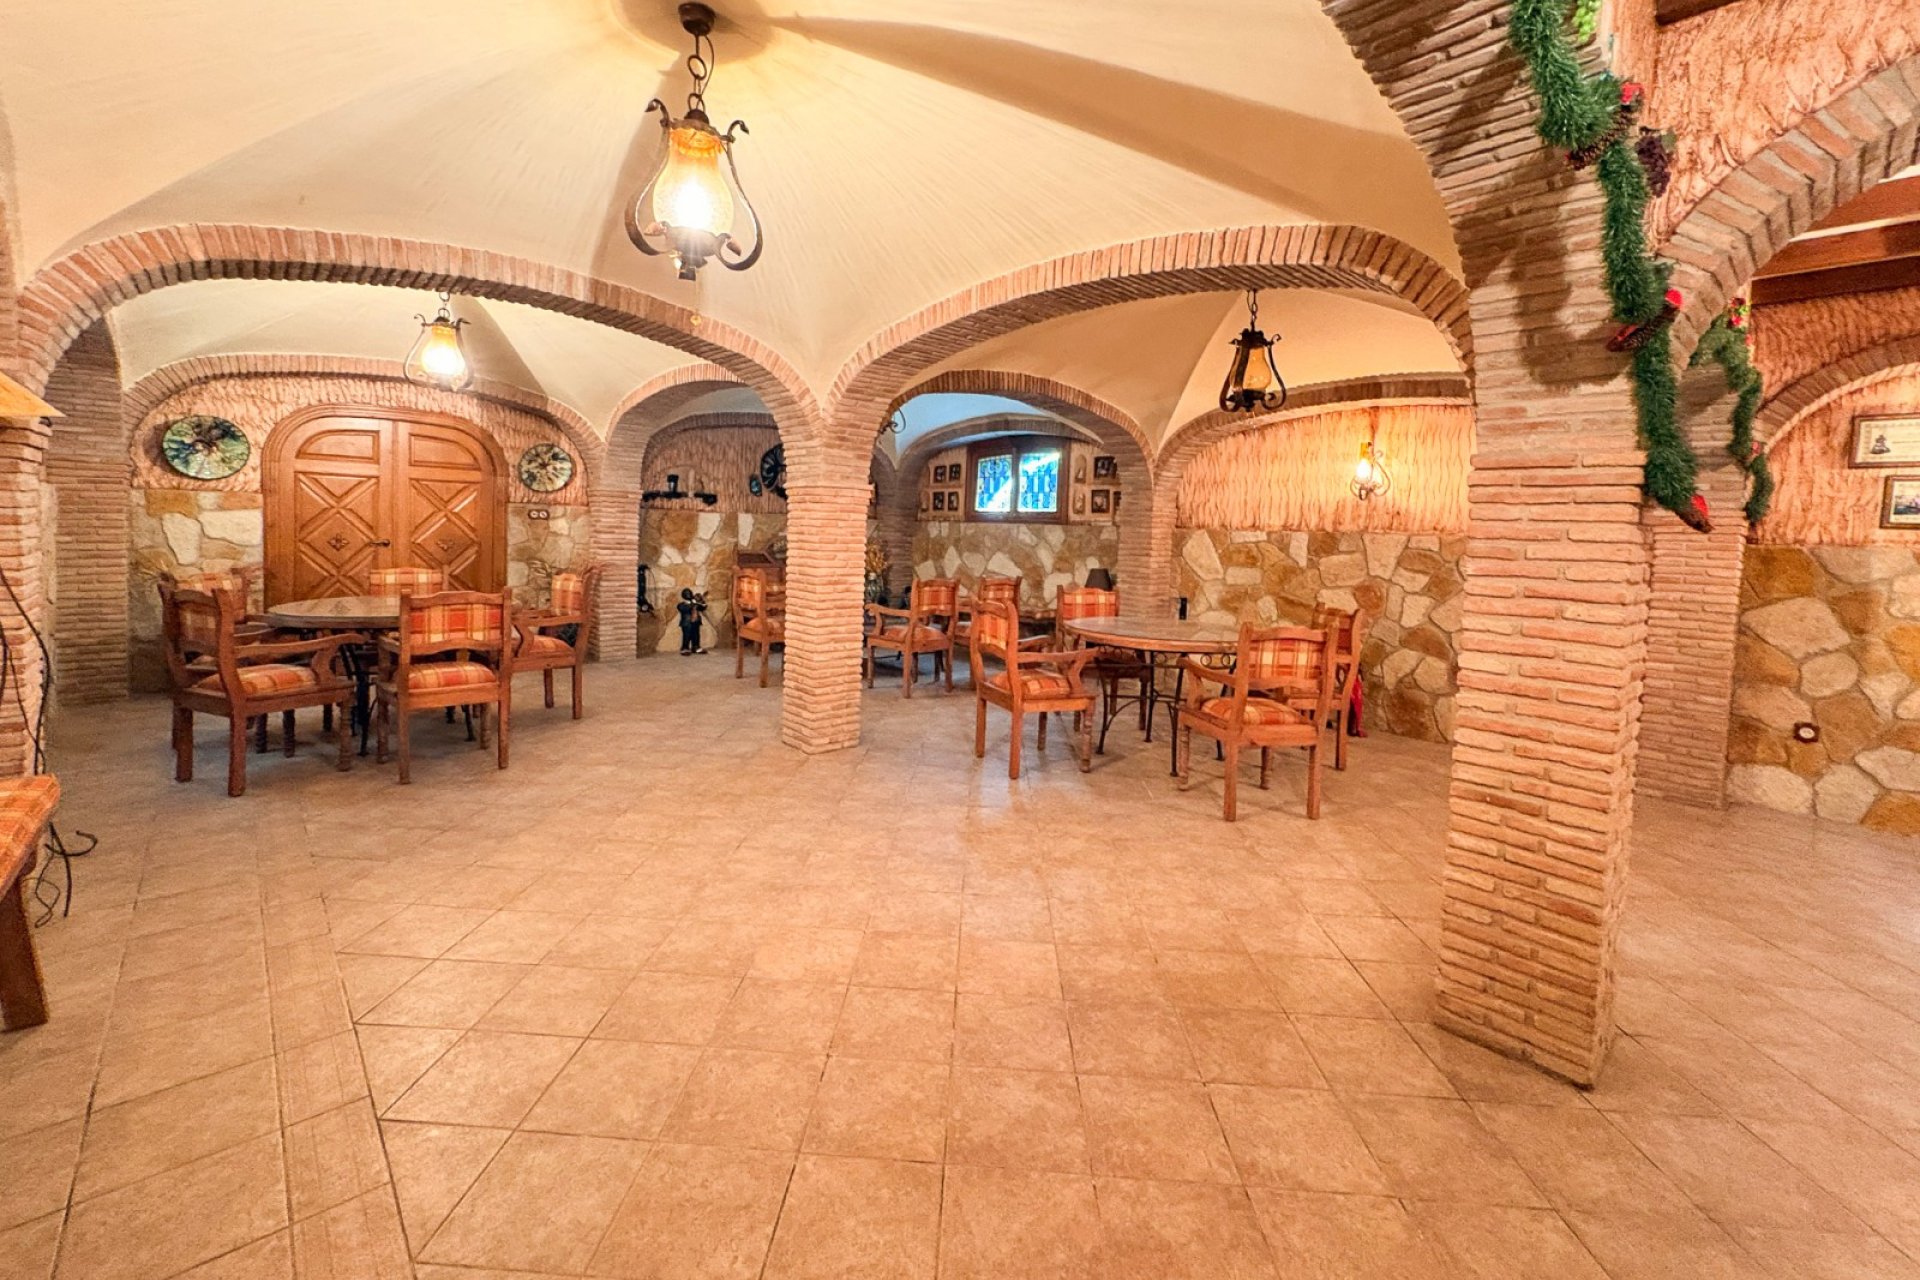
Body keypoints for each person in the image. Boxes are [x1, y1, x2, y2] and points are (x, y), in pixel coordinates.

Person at [676, 588, 709, 655]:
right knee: (686, 636)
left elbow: (703, 608)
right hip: (686, 623)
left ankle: (696, 647)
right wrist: (694, 603)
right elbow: (686, 608)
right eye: (687, 594)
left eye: (690, 593)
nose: (689, 595)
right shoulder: (681, 605)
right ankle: (685, 648)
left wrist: (701, 601)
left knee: (696, 635)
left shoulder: (696, 604)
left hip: (696, 622)